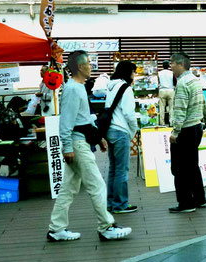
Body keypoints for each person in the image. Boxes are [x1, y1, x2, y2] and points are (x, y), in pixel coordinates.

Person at [47, 50, 131, 242]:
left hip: (79, 142)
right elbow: (67, 122)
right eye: (88, 63)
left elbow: (83, 119)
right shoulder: (73, 89)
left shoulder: (77, 87)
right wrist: (67, 147)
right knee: (97, 185)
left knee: (68, 189)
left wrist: (98, 138)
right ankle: (106, 226)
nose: (91, 66)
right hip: (77, 144)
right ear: (79, 66)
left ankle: (56, 228)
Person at [169, 52, 206, 213]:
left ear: (180, 64)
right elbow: (203, 102)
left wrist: (175, 132)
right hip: (197, 127)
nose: (170, 66)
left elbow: (180, 110)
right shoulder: (194, 80)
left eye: (172, 63)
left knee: (180, 168)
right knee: (192, 165)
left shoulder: (182, 83)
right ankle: (200, 198)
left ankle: (186, 203)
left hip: (185, 130)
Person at [105, 61, 140, 214]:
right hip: (120, 131)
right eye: (133, 72)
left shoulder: (110, 86)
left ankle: (111, 202)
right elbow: (129, 114)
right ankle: (120, 204)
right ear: (128, 72)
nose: (134, 75)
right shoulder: (126, 88)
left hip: (109, 130)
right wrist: (133, 130)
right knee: (121, 170)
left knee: (113, 169)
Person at [158, 60, 175, 125]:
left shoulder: (159, 73)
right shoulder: (172, 73)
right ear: (168, 66)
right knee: (171, 108)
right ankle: (171, 122)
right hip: (170, 91)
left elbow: (158, 82)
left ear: (162, 66)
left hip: (162, 91)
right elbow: (175, 82)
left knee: (162, 108)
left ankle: (162, 123)